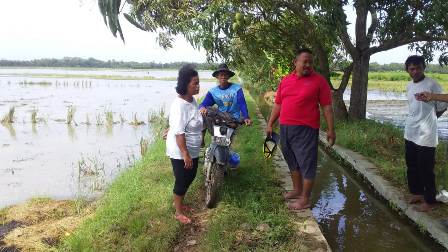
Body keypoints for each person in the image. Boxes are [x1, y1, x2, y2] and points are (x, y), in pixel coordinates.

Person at [266, 48, 335, 210]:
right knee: (292, 160)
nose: (308, 65)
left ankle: (305, 198)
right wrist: (270, 123)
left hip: (306, 129)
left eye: (310, 62)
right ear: (295, 62)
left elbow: (326, 107)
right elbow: (278, 104)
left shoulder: (319, 81)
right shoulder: (285, 80)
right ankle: (297, 190)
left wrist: (331, 130)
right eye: (304, 61)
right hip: (286, 127)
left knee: (307, 163)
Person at [403, 55, 447, 212]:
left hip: (427, 134)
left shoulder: (432, 84)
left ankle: (430, 201)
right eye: (412, 69)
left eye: (418, 68)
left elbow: (442, 105)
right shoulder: (409, 86)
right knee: (412, 165)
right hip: (410, 132)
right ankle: (417, 193)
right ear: (407, 70)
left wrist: (432, 118)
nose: (415, 71)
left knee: (425, 167)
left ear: (424, 68)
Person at [166, 65, 203, 224]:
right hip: (181, 151)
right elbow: (179, 133)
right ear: (185, 84)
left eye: (198, 82)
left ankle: (181, 202)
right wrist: (185, 154)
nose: (197, 86)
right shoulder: (179, 105)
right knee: (181, 180)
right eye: (194, 83)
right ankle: (178, 212)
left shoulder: (192, 100)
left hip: (192, 149)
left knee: (191, 176)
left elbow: (188, 122)